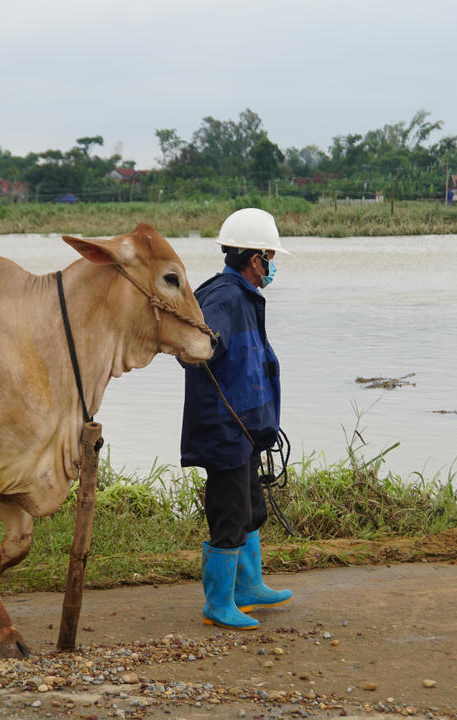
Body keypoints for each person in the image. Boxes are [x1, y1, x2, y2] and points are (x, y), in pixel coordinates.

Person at [180, 207, 293, 630]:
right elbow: (197, 348)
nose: (272, 265)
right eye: (269, 256)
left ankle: (248, 588)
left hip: (245, 429)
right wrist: (205, 341)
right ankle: (218, 604)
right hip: (224, 429)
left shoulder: (243, 296)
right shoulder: (224, 297)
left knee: (251, 509)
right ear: (254, 259)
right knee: (229, 515)